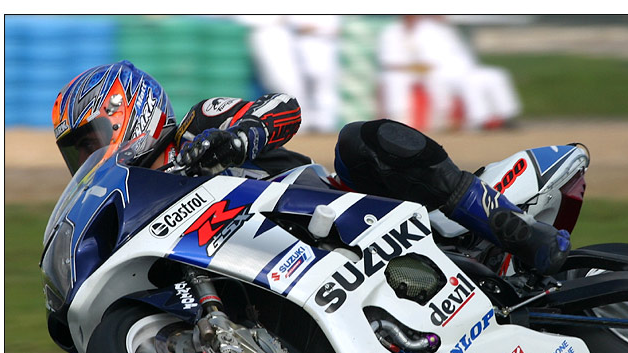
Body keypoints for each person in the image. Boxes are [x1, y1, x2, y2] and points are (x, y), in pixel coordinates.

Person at [51, 60, 569, 275]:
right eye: (77, 152)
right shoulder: (135, 200)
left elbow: (282, 106)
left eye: (91, 139)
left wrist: (237, 138)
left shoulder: (198, 125)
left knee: (366, 140)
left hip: (346, 213)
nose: (88, 157)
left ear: (131, 109)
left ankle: (509, 230)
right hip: (277, 269)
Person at [377, 15, 521, 131]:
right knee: (471, 83)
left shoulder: (447, 29)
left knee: (497, 75)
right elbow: (417, 55)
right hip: (441, 71)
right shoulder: (420, 30)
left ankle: (506, 115)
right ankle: (480, 120)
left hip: (465, 68)